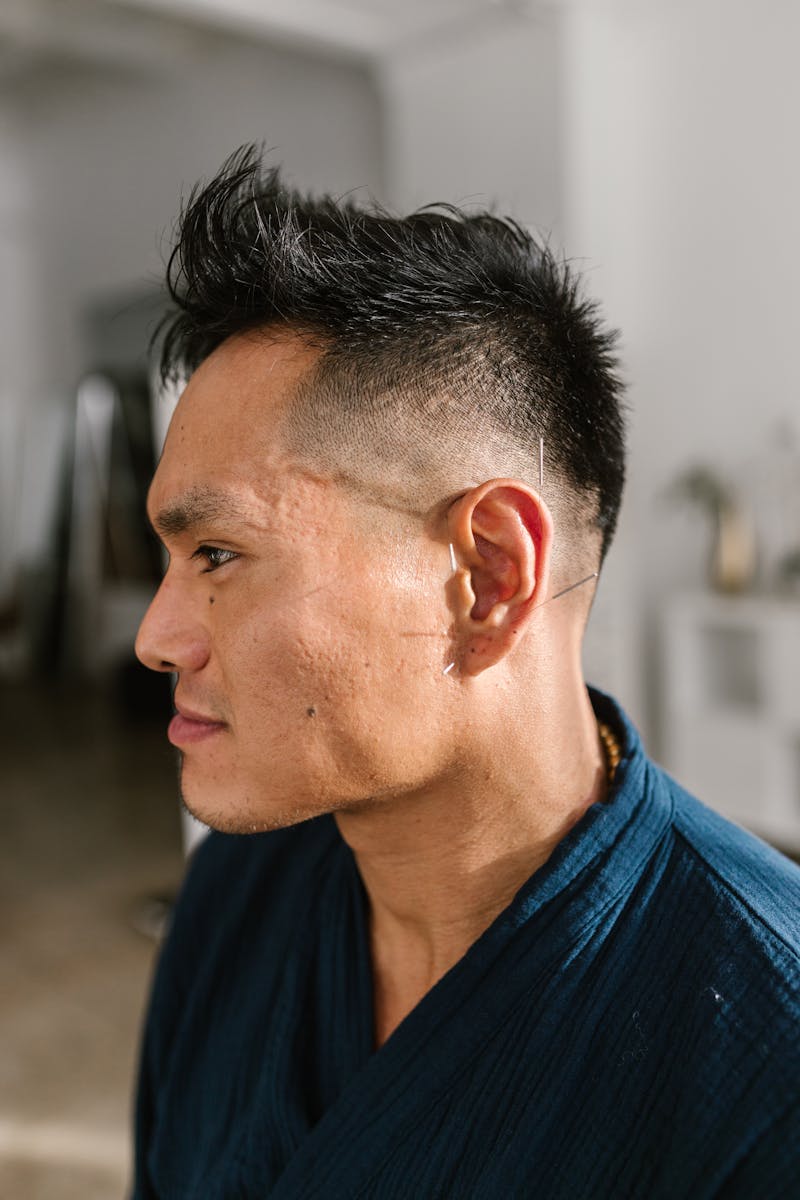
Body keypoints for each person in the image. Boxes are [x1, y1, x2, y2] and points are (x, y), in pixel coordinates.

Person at [131, 147, 799, 1199]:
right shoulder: (238, 889)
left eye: (217, 554)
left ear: (486, 577)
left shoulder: (767, 1047)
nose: (157, 637)